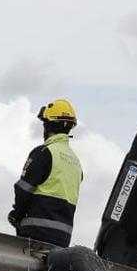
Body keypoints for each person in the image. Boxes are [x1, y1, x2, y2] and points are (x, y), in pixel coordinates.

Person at [11, 98, 84, 247]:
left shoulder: (44, 153)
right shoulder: (77, 163)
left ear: (47, 125)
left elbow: (23, 190)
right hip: (63, 238)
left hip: (35, 232)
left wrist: (16, 216)